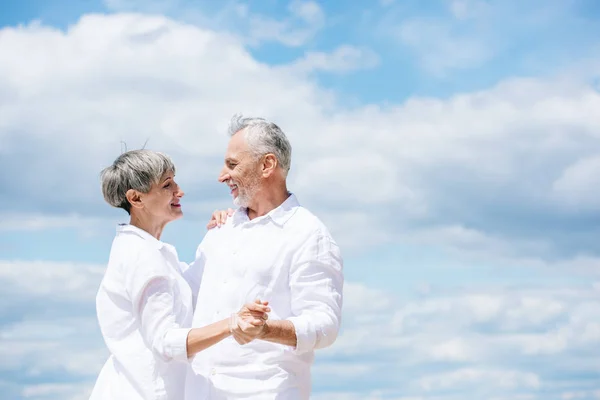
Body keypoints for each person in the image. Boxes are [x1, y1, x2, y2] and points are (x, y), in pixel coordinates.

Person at [185, 115, 345, 400]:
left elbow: (324, 324)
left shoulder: (308, 234)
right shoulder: (220, 230)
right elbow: (184, 296)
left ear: (267, 165)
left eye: (232, 164)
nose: (222, 175)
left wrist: (263, 329)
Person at [90, 149, 270, 400]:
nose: (179, 190)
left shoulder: (153, 253)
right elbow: (166, 342)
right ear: (136, 198)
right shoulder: (143, 257)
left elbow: (197, 285)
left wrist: (224, 229)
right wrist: (232, 324)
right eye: (167, 185)